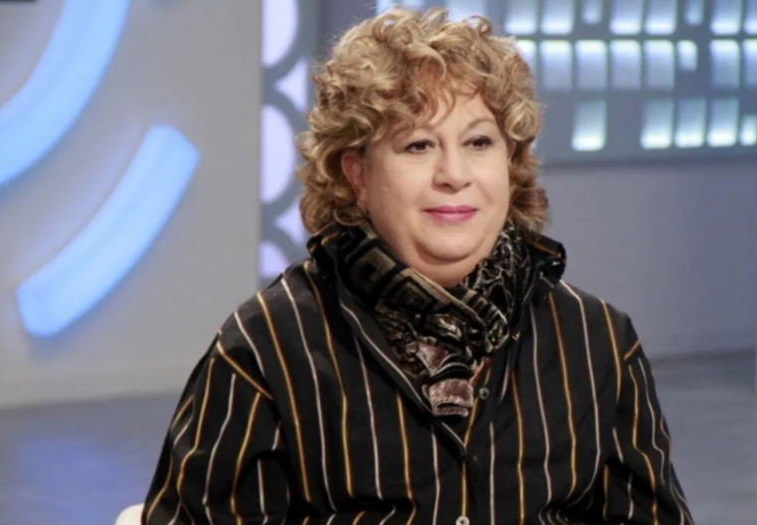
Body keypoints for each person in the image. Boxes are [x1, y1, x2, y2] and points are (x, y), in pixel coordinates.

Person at [142, 7, 695, 525]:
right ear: (356, 174)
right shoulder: (268, 348)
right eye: (418, 146)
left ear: (510, 163)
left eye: (479, 142)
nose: (454, 174)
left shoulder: (597, 341)